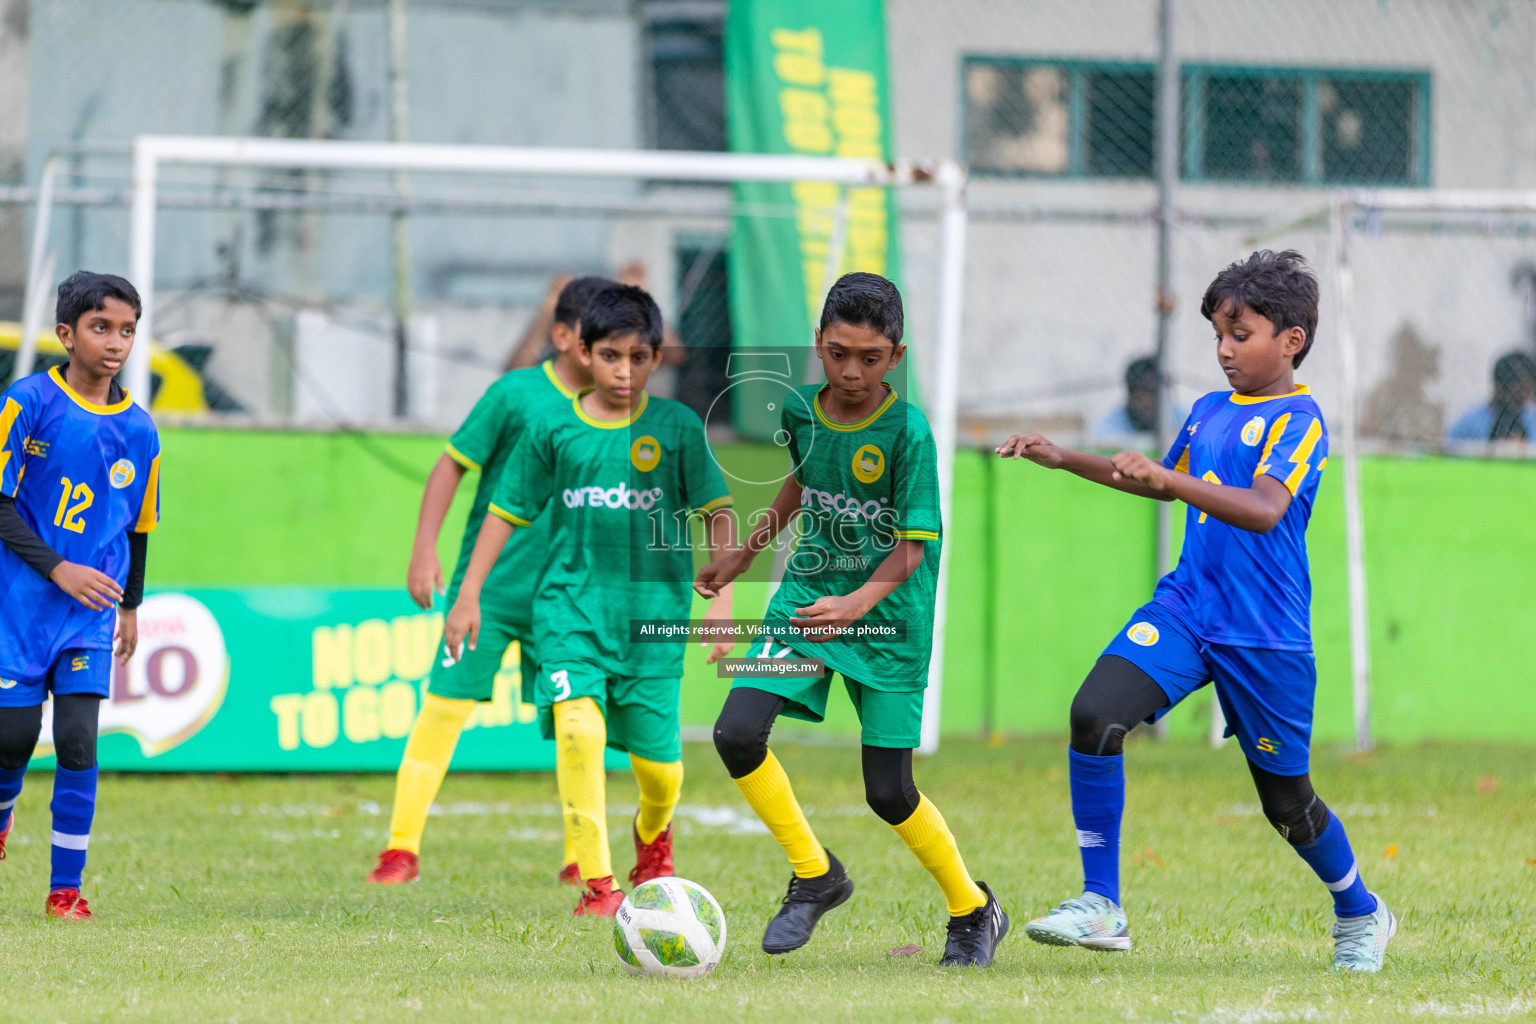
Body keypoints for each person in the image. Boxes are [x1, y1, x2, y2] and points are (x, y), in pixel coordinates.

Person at [997, 250, 1395, 973]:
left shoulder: (1301, 421)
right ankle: (1101, 904)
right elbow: (1158, 484)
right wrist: (1067, 459)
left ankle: (1360, 910)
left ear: (1291, 341)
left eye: (1239, 334)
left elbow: (1266, 510)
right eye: (1216, 335)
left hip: (1262, 634)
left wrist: (1174, 480)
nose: (1223, 350)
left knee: (1288, 805)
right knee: (1096, 714)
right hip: (1186, 609)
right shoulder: (1208, 410)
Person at [694, 272, 1009, 968]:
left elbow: (914, 546)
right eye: (838, 354)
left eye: (870, 358)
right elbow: (803, 482)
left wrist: (858, 604)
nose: (852, 371)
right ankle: (815, 874)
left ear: (894, 357)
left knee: (889, 793)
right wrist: (745, 555)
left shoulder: (910, 433)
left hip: (887, 619)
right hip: (806, 601)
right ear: (819, 347)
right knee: (737, 732)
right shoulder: (801, 410)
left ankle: (972, 909)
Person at [445, 284, 736, 916]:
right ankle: (599, 886)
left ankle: (652, 836)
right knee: (577, 731)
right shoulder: (552, 425)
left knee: (661, 775)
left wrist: (721, 600)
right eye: (609, 356)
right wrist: (468, 593)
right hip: (568, 612)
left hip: (651, 626)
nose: (623, 371)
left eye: (637, 357)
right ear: (583, 351)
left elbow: (719, 514)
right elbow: (503, 512)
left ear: (658, 358)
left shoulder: (679, 429)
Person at [366, 275, 612, 886]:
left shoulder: (624, 413)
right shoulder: (515, 395)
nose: (612, 355)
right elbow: (451, 465)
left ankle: (583, 857)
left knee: (577, 726)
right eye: (598, 340)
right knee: (444, 709)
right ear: (562, 337)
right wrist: (425, 551)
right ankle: (400, 850)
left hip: (570, 600)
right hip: (491, 592)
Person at [0, 271, 161, 920]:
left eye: (126, 330)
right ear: (66, 334)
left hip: (89, 615)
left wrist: (131, 607)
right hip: (18, 604)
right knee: (11, 741)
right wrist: (57, 567)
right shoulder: (27, 401)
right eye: (101, 327)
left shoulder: (141, 431)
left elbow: (141, 525)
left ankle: (65, 891)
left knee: (77, 740)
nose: (116, 342)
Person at [1444, 351, 1536, 443]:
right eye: (1517, 394)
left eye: (1526, 393)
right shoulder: (1467, 426)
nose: (1523, 399)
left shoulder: (1532, 422)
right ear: (1498, 387)